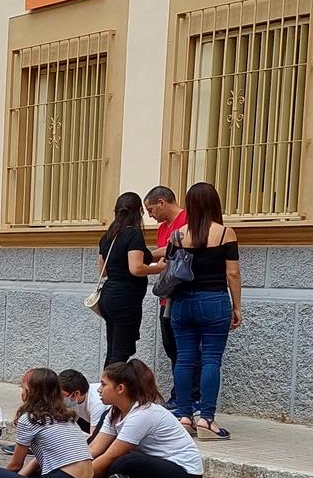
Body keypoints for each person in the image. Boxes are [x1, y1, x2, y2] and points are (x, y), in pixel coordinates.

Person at [163, 181, 242, 441]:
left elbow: (169, 266)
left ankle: (184, 416)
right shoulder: (224, 233)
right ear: (214, 204)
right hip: (213, 301)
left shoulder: (177, 235)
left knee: (184, 358)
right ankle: (206, 419)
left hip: (181, 304)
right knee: (211, 359)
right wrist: (237, 306)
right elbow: (232, 272)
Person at [0, 369, 97, 478]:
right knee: (34, 476)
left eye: (22, 387)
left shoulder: (29, 419)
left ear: (29, 391)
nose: (21, 392)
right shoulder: (67, 417)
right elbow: (38, 459)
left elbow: (15, 465)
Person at [88, 359, 205, 478]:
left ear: (120, 388)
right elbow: (94, 448)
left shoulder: (142, 414)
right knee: (104, 466)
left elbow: (111, 456)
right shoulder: (114, 412)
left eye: (103, 384)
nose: (99, 389)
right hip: (156, 464)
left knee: (121, 463)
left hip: (186, 474)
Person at [97, 192, 158, 366]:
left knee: (113, 349)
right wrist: (160, 268)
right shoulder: (133, 235)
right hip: (126, 298)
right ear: (138, 211)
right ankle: (108, 390)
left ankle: (106, 388)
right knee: (120, 352)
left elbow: (103, 270)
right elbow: (136, 267)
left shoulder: (108, 236)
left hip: (109, 296)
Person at [144, 185, 187, 405]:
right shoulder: (163, 227)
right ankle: (178, 393)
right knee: (170, 346)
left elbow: (172, 250)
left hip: (182, 293)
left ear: (162, 202)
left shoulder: (186, 220)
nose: (151, 215)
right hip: (166, 293)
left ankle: (185, 395)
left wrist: (148, 254)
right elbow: (165, 254)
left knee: (184, 348)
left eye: (151, 209)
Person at [59, 368, 108, 434]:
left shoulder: (98, 402)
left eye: (63, 395)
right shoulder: (77, 399)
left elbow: (93, 437)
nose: (60, 398)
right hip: (86, 419)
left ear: (76, 393)